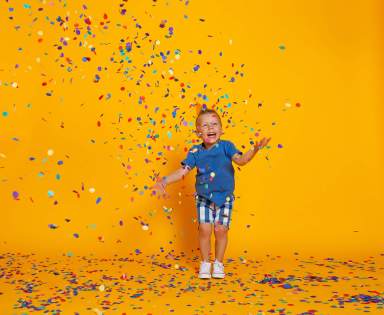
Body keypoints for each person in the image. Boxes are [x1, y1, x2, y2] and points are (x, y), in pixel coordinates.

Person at [151, 108, 271, 279]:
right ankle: (206, 262)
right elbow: (182, 172)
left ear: (221, 130)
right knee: (205, 230)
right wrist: (164, 181)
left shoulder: (227, 147)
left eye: (214, 124)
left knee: (221, 230)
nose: (210, 128)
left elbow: (241, 160)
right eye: (205, 126)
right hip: (204, 198)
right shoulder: (195, 152)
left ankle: (219, 263)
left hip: (225, 198)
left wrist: (255, 150)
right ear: (198, 132)